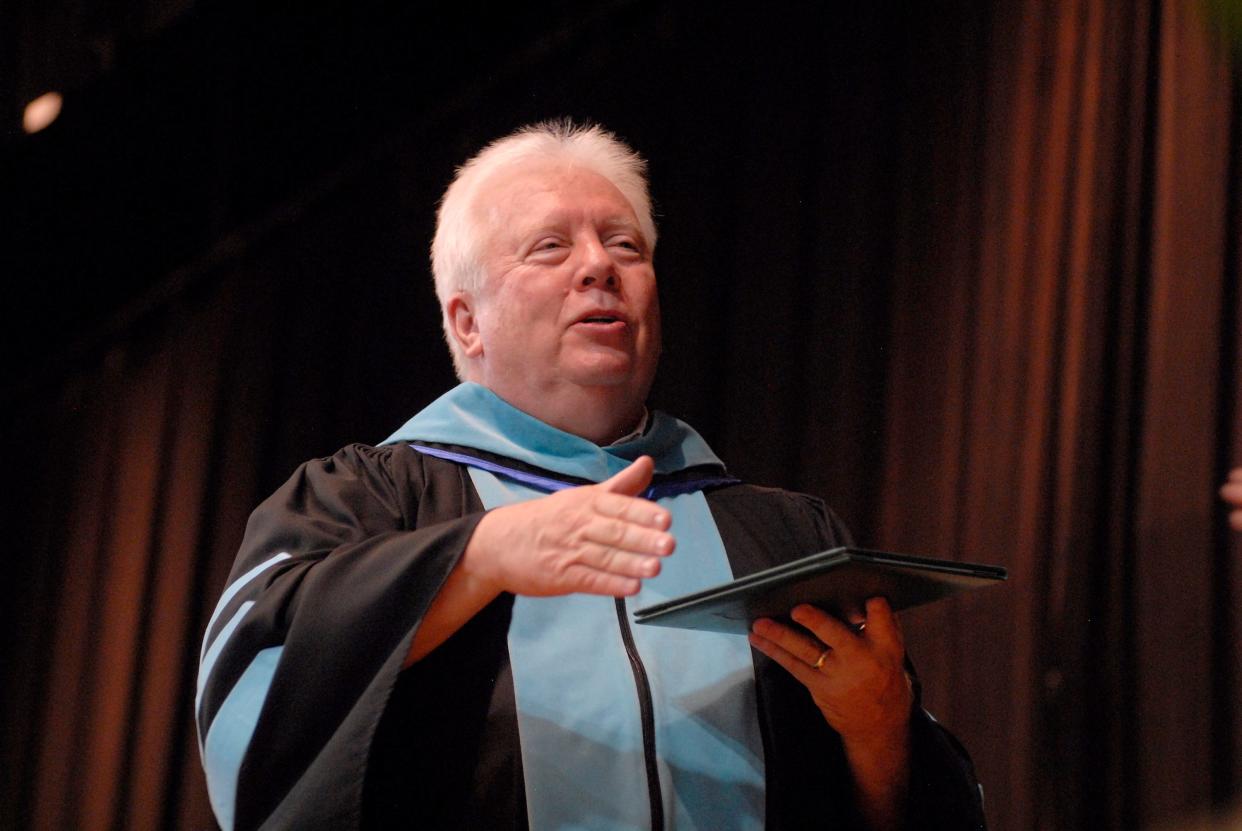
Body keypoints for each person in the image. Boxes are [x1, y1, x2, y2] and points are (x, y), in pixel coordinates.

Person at [196, 120, 986, 830]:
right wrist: (479, 557)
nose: (599, 266)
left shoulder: (780, 538)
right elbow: (257, 702)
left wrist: (879, 729)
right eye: (551, 247)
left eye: (626, 246)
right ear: (465, 320)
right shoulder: (371, 502)